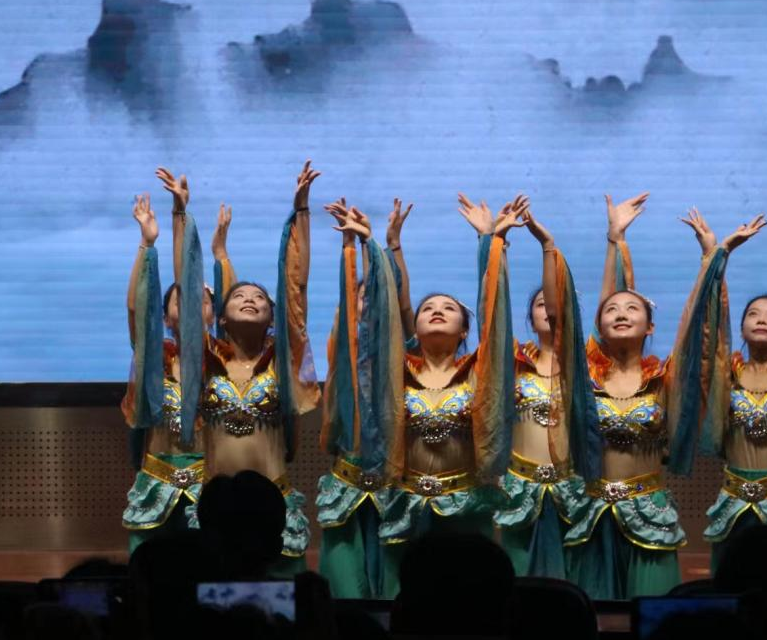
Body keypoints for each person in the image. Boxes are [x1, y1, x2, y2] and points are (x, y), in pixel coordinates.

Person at [165, 162, 322, 577]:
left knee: (280, 602)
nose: (250, 298)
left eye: (259, 297)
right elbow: (187, 284)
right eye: (239, 296)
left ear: (272, 317)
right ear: (220, 317)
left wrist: (302, 212)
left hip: (275, 506)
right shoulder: (207, 362)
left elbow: (297, 288)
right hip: (214, 510)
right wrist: (179, 214)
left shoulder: (282, 364)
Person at [562, 195, 719, 598]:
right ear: (599, 326)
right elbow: (608, 294)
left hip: (650, 511)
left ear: (650, 327)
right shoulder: (587, 374)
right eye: (611, 310)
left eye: (632, 308)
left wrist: (710, 261)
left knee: (653, 614)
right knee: (591, 616)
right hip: (592, 512)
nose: (620, 313)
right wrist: (613, 238)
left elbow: (699, 337)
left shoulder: (665, 378)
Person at [373, 194, 524, 597]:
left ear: (464, 330)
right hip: (407, 505)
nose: (436, 310)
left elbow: (494, 315)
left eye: (448, 308)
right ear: (415, 328)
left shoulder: (479, 371)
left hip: (467, 506)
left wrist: (490, 242)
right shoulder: (399, 371)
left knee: (473, 600)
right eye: (428, 309)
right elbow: (394, 308)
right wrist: (392, 246)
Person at [681, 210, 767, 570]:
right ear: (742, 329)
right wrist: (717, 254)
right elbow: (710, 326)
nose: (762, 319)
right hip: (733, 502)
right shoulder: (727, 375)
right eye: (753, 314)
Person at [493, 208, 602, 578]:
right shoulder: (513, 361)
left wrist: (548, 247)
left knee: (569, 582)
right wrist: (496, 244)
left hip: (570, 489)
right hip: (519, 488)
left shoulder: (586, 365)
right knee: (516, 583)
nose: (548, 310)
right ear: (529, 318)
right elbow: (494, 313)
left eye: (553, 304)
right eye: (539, 304)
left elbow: (559, 314)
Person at [315, 199, 409, 598]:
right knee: (344, 597)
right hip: (346, 483)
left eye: (374, 295)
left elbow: (398, 302)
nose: (367, 300)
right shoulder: (342, 347)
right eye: (360, 294)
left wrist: (386, 246)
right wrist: (349, 249)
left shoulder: (402, 353)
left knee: (396, 596)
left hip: (394, 486)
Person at [120, 190, 211, 552]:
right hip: (155, 481)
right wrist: (147, 244)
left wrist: (183, 217)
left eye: (202, 300)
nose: (190, 304)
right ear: (165, 317)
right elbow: (136, 308)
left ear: (214, 315)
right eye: (180, 299)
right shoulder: (154, 360)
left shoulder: (221, 362)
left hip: (209, 486)